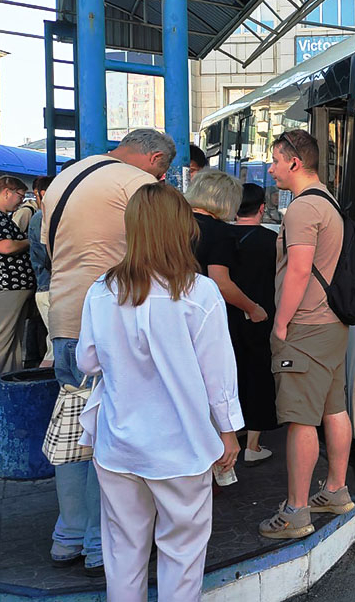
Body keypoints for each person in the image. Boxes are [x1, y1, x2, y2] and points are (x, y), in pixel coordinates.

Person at [76, 183, 242, 602]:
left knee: (123, 550)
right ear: (182, 229)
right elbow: (217, 374)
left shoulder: (102, 289)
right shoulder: (198, 292)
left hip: (118, 442)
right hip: (181, 446)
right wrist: (228, 431)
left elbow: (87, 361)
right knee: (182, 554)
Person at [41, 128, 175, 576]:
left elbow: (48, 250)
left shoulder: (66, 176)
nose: (163, 180)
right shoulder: (135, 185)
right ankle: (102, 545)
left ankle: (68, 536)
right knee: (108, 433)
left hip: (64, 319)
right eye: (164, 171)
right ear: (155, 158)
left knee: (73, 426)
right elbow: (159, 252)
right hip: (113, 318)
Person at [259, 130, 354, 540]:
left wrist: (280, 324)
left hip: (306, 327)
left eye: (276, 160)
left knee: (300, 420)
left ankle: (296, 512)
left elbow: (298, 270)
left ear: (295, 163)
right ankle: (335, 490)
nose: (271, 168)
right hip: (332, 324)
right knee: (334, 410)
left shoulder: (301, 210)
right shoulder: (328, 200)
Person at [228, 183, 279, 464]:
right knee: (259, 376)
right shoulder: (271, 241)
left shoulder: (220, 237)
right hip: (261, 317)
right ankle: (254, 445)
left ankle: (232, 433)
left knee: (229, 375)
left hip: (225, 319)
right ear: (261, 208)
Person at [185, 171, 268, 326]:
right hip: (200, 311)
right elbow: (221, 283)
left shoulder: (173, 221)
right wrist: (253, 309)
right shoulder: (220, 232)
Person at [0, 175, 36, 373]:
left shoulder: (5, 217)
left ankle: (10, 379)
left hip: (11, 286)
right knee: (4, 339)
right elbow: (6, 246)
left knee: (12, 341)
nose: (22, 201)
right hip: (8, 285)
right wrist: (30, 241)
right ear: (7, 192)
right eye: (20, 196)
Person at [28, 177, 55, 366]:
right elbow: (49, 254)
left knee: (54, 345)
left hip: (46, 286)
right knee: (55, 347)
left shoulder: (40, 216)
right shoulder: (42, 217)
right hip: (49, 286)